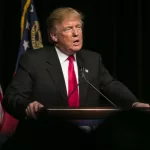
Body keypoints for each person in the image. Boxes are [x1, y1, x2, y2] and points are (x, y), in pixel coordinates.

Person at [1, 7, 150, 149]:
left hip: (85, 140)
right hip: (46, 141)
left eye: (78, 27)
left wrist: (133, 103)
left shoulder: (93, 59)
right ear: (54, 36)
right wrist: (28, 106)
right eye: (68, 29)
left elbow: (111, 85)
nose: (76, 33)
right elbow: (12, 97)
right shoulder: (34, 60)